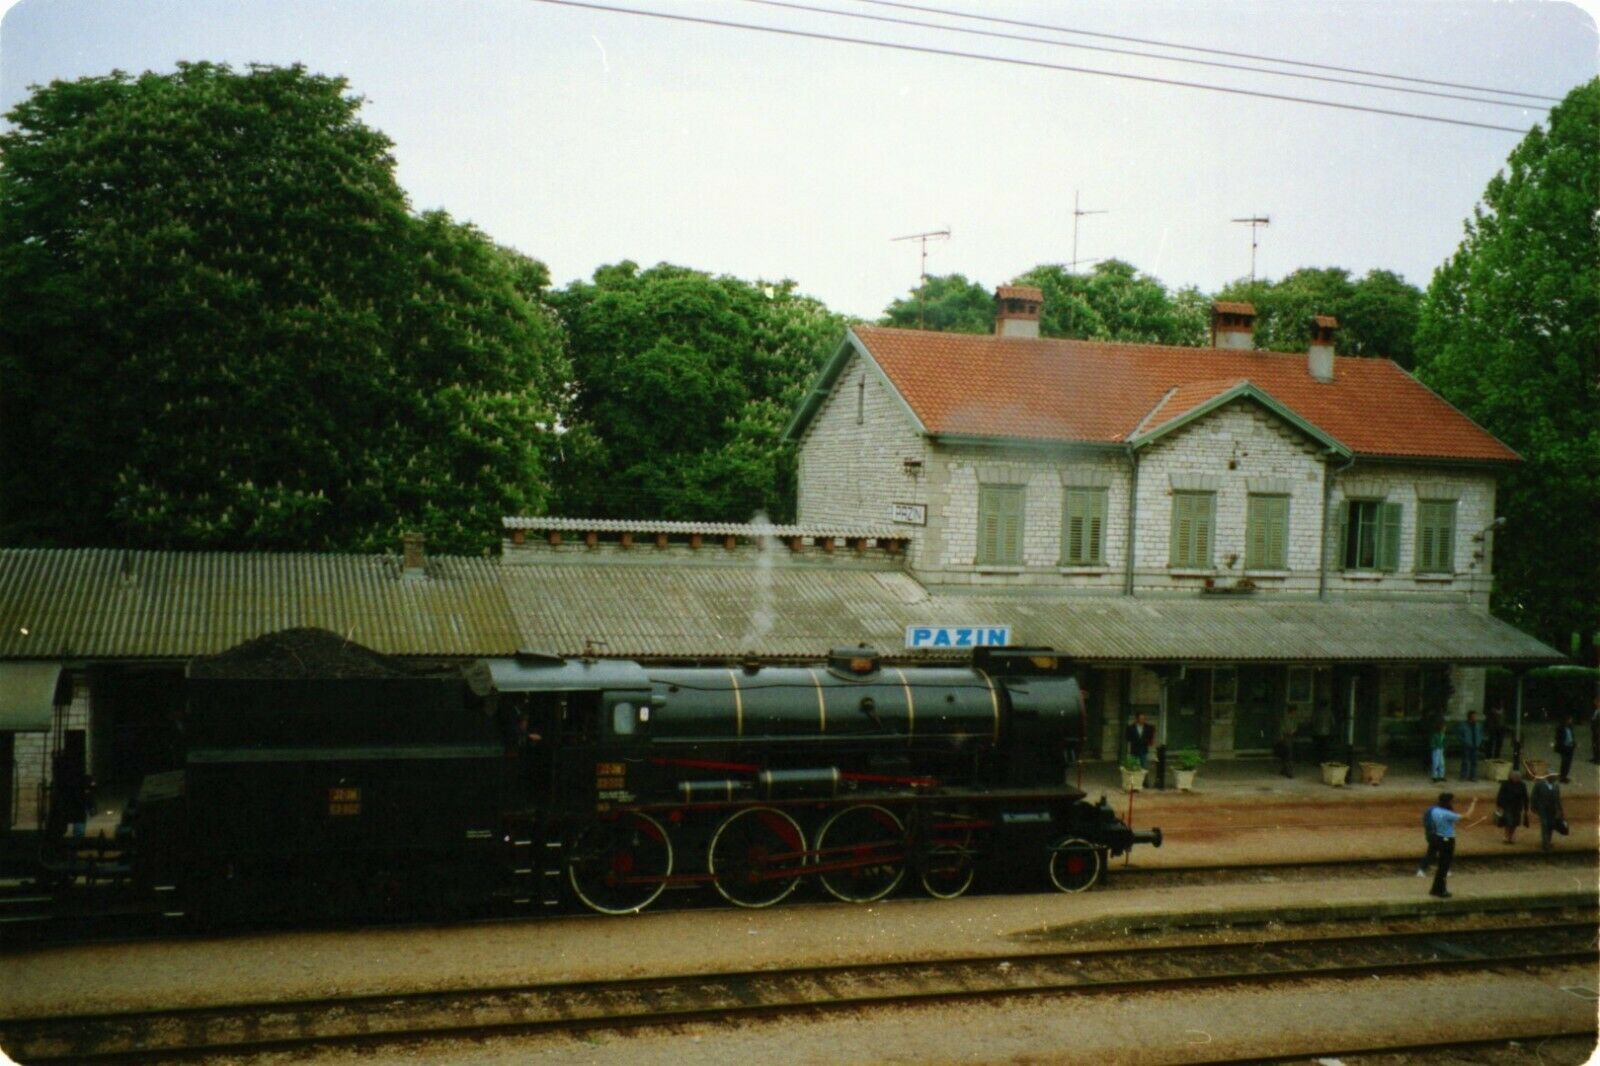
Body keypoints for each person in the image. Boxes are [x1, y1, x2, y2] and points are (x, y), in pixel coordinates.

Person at [1424, 792, 1476, 899]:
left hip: (1439, 837)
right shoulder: (1448, 814)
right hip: (1447, 840)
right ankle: (1441, 890)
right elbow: (1467, 816)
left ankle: (1435, 889)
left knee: (1441, 866)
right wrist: (1473, 803)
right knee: (1444, 866)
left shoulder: (1435, 810)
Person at [1530, 772, 1565, 852]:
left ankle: (1548, 841)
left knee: (1551, 825)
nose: (1555, 779)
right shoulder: (1539, 785)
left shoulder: (1556, 786)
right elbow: (1534, 796)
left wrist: (1560, 810)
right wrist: (1533, 807)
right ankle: (1545, 843)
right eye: (1553, 777)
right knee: (1545, 825)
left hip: (1552, 809)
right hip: (1542, 809)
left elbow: (1558, 799)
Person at [1495, 769, 1529, 845]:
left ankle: (1511, 835)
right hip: (1507, 806)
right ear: (1511, 777)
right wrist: (1499, 805)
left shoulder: (1522, 785)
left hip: (1517, 807)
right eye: (1515, 777)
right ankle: (1506, 835)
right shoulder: (1505, 784)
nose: (1516, 778)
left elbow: (1525, 797)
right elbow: (1500, 795)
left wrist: (1526, 808)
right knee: (1508, 821)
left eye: (1518, 777)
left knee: (1515, 823)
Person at [1458, 711, 1483, 782]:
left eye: (1475, 716)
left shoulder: (1478, 725)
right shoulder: (1463, 725)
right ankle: (1463, 776)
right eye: (1473, 716)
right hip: (1467, 746)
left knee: (1474, 762)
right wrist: (1464, 741)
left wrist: (1479, 741)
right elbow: (1459, 735)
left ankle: (1473, 776)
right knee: (1465, 761)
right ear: (1469, 717)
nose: (1475, 718)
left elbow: (1481, 733)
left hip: (1475, 745)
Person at [1553, 714, 1576, 783]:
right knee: (1564, 763)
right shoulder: (1560, 728)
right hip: (1564, 747)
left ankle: (1564, 776)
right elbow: (1558, 738)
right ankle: (1562, 777)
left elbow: (1572, 737)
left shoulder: (1570, 727)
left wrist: (1574, 743)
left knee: (1568, 763)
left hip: (1570, 747)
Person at [1275, 710, 1298, 778]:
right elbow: (1282, 729)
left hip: (1290, 737)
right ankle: (1289, 772)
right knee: (1288, 755)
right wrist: (1282, 737)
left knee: (1286, 755)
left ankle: (1284, 769)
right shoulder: (1285, 719)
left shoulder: (1294, 720)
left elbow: (1295, 727)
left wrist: (1293, 731)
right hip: (1286, 737)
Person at [1312, 699, 1334, 765]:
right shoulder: (1329, 713)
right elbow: (1333, 723)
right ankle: (1324, 761)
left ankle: (1318, 761)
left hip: (1318, 732)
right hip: (1326, 732)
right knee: (1325, 748)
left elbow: (1313, 722)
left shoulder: (1317, 712)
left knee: (1318, 748)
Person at [1589, 695, 1599, 765]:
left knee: (1598, 744)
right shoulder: (1596, 711)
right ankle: (1595, 757)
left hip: (1598, 730)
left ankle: (1598, 758)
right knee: (1594, 744)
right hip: (1595, 730)